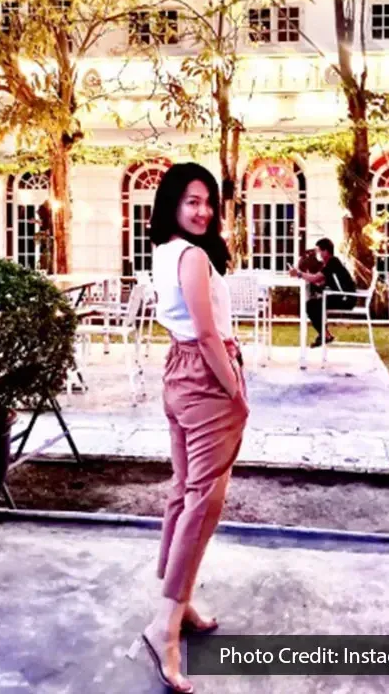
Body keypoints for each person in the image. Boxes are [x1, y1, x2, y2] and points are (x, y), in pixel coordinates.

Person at [142, 162, 249, 694]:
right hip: (206, 377)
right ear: (172, 206)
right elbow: (208, 335)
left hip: (180, 373)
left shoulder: (164, 252)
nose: (203, 210)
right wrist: (235, 389)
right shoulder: (190, 256)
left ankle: (176, 602)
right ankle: (164, 622)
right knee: (203, 501)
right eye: (191, 201)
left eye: (208, 200)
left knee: (185, 494)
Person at [290, 237, 357, 347]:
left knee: (311, 305)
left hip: (346, 298)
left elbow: (316, 278)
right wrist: (311, 279)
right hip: (342, 296)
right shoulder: (331, 263)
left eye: (319, 251)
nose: (318, 254)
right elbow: (322, 281)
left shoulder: (332, 262)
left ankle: (325, 335)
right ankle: (325, 334)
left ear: (325, 251)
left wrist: (299, 274)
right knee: (313, 304)